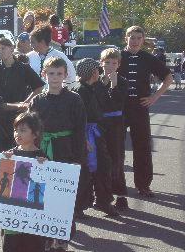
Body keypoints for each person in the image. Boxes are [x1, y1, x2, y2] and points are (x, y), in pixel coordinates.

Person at [29, 57, 87, 251]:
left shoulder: (74, 99)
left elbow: (80, 129)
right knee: (42, 196)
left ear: (65, 75)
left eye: (59, 74)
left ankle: (62, 236)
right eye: (51, 73)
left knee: (63, 196)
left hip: (65, 149)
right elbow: (30, 128)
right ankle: (45, 236)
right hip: (42, 151)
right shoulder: (37, 100)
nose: (55, 78)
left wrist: (78, 159)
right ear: (44, 75)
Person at [118, 26, 173, 197]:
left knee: (142, 147)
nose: (134, 41)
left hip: (140, 107)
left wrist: (154, 97)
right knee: (116, 147)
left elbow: (168, 77)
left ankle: (143, 185)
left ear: (143, 40)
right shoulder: (117, 56)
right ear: (125, 38)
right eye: (131, 37)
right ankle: (116, 186)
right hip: (119, 107)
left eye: (138, 38)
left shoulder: (148, 58)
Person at [2, 112, 47, 252]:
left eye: (23, 130)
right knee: (11, 239)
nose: (17, 134)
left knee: (33, 240)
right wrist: (4, 160)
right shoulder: (10, 154)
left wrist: (45, 165)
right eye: (15, 130)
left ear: (35, 134)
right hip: (13, 205)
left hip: (33, 207)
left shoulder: (41, 156)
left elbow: (48, 181)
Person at [71, 59, 119, 217]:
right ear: (93, 73)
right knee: (91, 169)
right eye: (97, 70)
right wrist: (84, 140)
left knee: (99, 167)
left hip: (94, 132)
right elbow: (80, 117)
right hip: (86, 134)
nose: (99, 72)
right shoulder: (81, 91)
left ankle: (98, 201)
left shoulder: (88, 87)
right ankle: (83, 205)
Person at [0, 38, 45, 147]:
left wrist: (26, 103)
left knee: (19, 147)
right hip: (1, 116)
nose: (0, 52)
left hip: (20, 116)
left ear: (11, 48)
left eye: (3, 48)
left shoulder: (22, 67)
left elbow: (39, 87)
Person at [97, 48, 129, 210]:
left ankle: (121, 195)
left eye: (114, 63)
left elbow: (118, 102)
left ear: (119, 65)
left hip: (116, 125)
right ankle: (103, 194)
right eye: (107, 62)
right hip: (99, 124)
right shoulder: (97, 81)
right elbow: (95, 102)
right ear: (101, 63)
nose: (110, 66)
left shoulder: (122, 81)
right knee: (101, 160)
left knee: (116, 158)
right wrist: (102, 85)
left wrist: (114, 84)